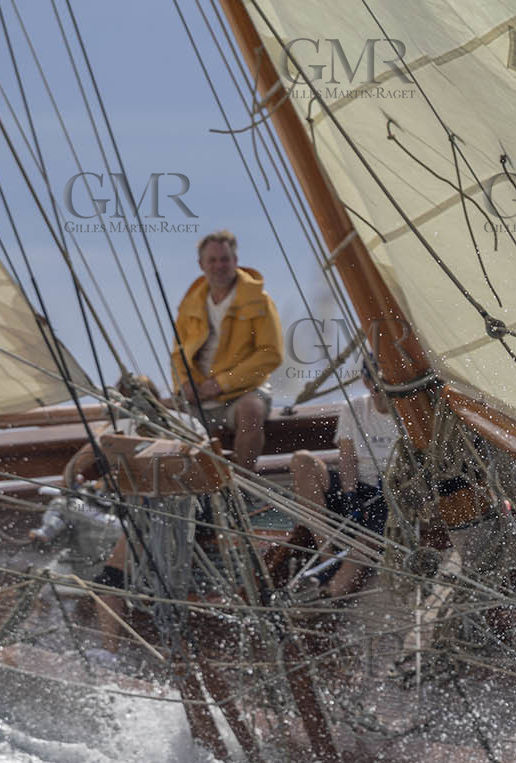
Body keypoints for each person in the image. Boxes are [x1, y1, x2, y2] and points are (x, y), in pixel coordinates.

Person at [170, 230, 283, 473]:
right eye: (212, 260)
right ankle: (198, 494)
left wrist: (222, 383)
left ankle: (242, 488)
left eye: (225, 259)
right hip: (199, 394)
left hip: (244, 391)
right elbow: (178, 354)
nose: (219, 266)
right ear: (201, 265)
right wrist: (184, 385)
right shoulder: (190, 304)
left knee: (251, 411)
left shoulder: (259, 300)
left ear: (235, 261)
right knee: (160, 418)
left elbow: (270, 353)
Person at [286, 359, 401, 597]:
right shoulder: (354, 408)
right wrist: (350, 494)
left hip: (393, 493)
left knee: (365, 540)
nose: (381, 390)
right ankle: (326, 554)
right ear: (366, 382)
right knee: (302, 461)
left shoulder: (409, 413)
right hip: (358, 487)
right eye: (376, 383)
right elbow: (347, 458)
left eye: (388, 383)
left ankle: (332, 593)